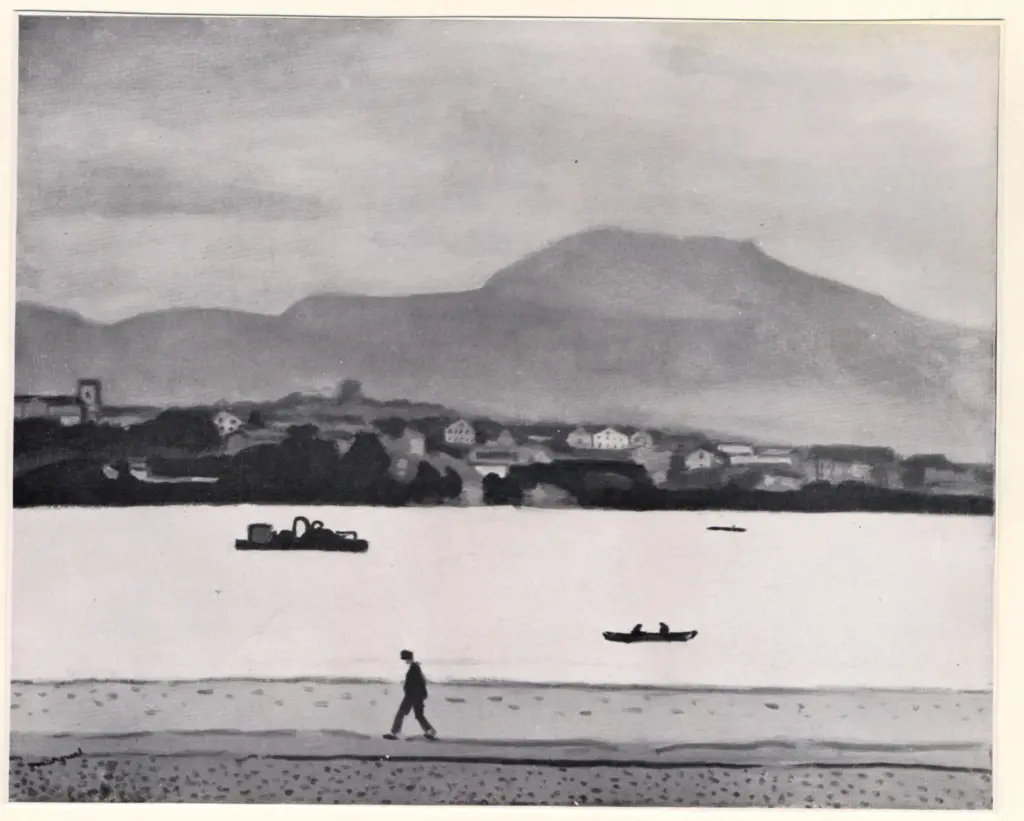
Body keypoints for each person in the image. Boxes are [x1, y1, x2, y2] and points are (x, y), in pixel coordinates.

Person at [383, 649, 437, 741]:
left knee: (401, 713)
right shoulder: (415, 667)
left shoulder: (414, 668)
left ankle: (394, 733)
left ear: (407, 658)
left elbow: (418, 682)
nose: (405, 662)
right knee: (419, 715)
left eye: (405, 659)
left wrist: (409, 691)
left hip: (412, 695)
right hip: (417, 695)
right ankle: (430, 731)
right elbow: (421, 682)